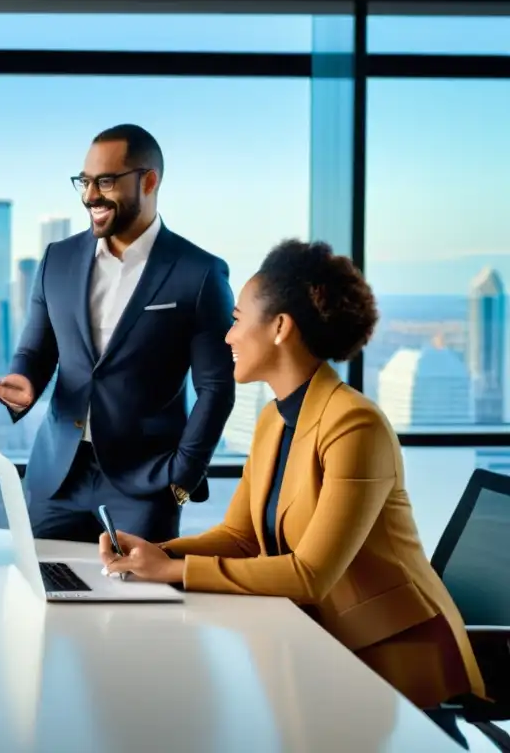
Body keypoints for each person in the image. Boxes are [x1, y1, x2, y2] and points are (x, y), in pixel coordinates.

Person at [98, 239, 486, 710]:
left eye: (238, 319)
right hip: (319, 641)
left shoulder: (354, 426)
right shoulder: (273, 419)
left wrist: (174, 570)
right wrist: (154, 552)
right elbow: (240, 536)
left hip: (396, 661)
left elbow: (311, 576)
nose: (227, 336)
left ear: (280, 327)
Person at [0, 123, 235, 543]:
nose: (90, 196)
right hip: (58, 478)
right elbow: (36, 350)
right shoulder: (57, 260)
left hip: (145, 484)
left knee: (139, 604)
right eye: (84, 182)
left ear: (149, 181)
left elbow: (216, 387)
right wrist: (23, 380)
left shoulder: (199, 272)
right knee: (47, 596)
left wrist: (182, 478)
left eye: (105, 181)